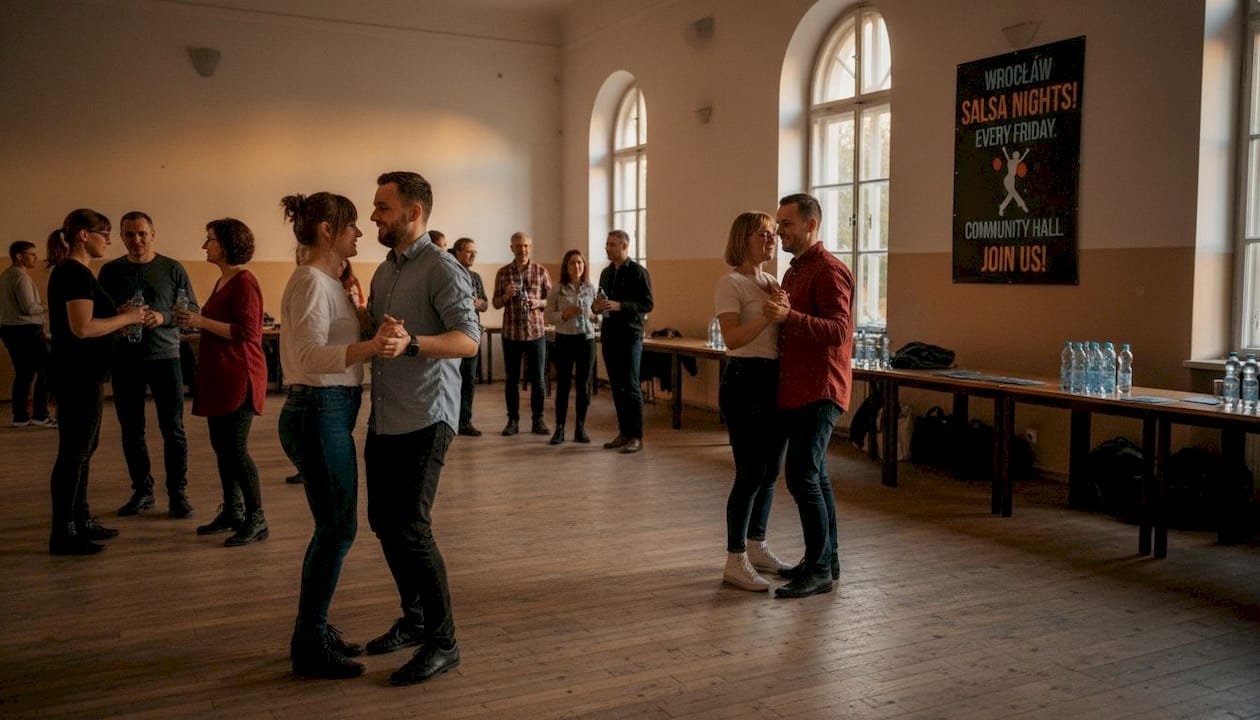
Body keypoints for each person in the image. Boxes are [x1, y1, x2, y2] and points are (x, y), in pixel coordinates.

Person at [279, 191, 404, 679]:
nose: (360, 232)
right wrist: (370, 347)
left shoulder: (327, 281)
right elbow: (310, 358)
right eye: (351, 225)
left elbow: (331, 340)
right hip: (317, 410)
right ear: (328, 230)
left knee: (332, 530)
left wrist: (373, 327)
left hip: (327, 411)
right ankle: (310, 641)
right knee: (336, 532)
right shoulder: (312, 280)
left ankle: (313, 630)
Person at [363, 170, 479, 686]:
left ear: (413, 213)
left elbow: (469, 341)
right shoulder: (385, 270)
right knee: (384, 524)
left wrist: (414, 344)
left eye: (382, 208)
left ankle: (443, 641)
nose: (373, 217)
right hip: (386, 414)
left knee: (411, 527)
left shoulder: (442, 268)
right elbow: (378, 331)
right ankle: (413, 621)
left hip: (426, 416)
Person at [762, 193, 854, 599]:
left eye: (786, 223)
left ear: (811, 225)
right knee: (815, 476)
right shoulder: (795, 270)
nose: (780, 230)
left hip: (821, 387)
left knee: (801, 476)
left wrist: (788, 318)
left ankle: (818, 569)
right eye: (779, 224)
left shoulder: (830, 270)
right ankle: (825, 560)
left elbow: (838, 330)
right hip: (798, 386)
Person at [45, 210, 146, 555]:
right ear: (84, 235)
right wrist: (127, 317)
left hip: (83, 374)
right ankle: (63, 532)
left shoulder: (77, 273)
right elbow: (82, 328)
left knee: (84, 451)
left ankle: (80, 518)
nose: (109, 240)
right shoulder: (73, 273)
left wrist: (117, 314)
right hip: (76, 376)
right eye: (105, 233)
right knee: (74, 454)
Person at [97, 211, 196, 519]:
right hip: (126, 360)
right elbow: (98, 314)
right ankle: (142, 491)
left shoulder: (172, 268)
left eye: (141, 233)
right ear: (122, 237)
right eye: (129, 234)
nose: (136, 240)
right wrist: (119, 315)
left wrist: (163, 317)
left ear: (153, 234)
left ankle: (177, 493)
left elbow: (192, 308)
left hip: (165, 358)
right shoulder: (110, 271)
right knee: (132, 431)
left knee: (174, 430)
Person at [178, 218, 269, 547]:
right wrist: (197, 325)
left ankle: (256, 518)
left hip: (238, 376)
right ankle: (233, 510)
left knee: (236, 449)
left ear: (227, 244)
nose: (205, 246)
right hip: (219, 375)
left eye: (210, 240)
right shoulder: (223, 281)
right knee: (222, 449)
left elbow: (247, 332)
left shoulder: (245, 282)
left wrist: (200, 320)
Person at [714, 212, 793, 591]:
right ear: (744, 238)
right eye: (763, 234)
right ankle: (735, 559)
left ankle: (756, 543)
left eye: (774, 234)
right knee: (748, 473)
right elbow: (732, 339)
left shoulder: (771, 281)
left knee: (770, 470)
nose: (771, 240)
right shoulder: (731, 283)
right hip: (744, 378)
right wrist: (767, 317)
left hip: (771, 379)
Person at [593, 230, 653, 454]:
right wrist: (596, 307)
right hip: (609, 334)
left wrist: (620, 306)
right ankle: (623, 432)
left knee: (631, 386)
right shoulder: (606, 273)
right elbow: (600, 301)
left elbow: (647, 304)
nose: (607, 248)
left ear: (624, 246)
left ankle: (636, 436)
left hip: (630, 335)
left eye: (612, 244)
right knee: (616, 386)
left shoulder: (638, 272)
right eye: (607, 244)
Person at [492, 232, 551, 436]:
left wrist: (538, 303)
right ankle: (512, 421)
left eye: (525, 245)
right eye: (518, 246)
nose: (522, 249)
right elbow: (495, 303)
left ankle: (538, 420)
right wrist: (506, 296)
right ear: (511, 248)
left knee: (539, 380)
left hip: (536, 333)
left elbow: (551, 302)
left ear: (530, 247)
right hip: (511, 334)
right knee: (511, 379)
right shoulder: (503, 273)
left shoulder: (541, 271)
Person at [543, 249, 596, 445]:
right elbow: (548, 315)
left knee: (583, 386)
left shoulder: (590, 287)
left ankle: (580, 427)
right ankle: (559, 429)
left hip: (586, 339)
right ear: (566, 266)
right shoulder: (558, 288)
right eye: (573, 263)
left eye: (580, 263)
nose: (577, 267)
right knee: (564, 385)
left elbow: (596, 313)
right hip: (565, 339)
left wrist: (593, 315)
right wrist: (564, 314)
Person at [1, 241, 55, 428]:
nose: (36, 257)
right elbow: (28, 308)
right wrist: (49, 307)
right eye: (32, 254)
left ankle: (20, 417)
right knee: (47, 370)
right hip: (25, 331)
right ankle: (40, 415)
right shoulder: (20, 277)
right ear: (19, 256)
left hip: (10, 330)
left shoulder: (6, 275)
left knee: (24, 373)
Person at [451, 237, 487, 436]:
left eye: (475, 251)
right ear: (457, 252)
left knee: (469, 380)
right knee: (451, 379)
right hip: (453, 336)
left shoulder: (475, 277)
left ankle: (465, 421)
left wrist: (477, 303)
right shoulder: (449, 274)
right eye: (468, 251)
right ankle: (449, 420)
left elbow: (486, 304)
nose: (472, 255)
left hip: (472, 335)